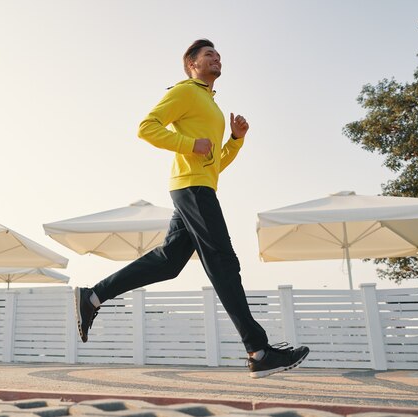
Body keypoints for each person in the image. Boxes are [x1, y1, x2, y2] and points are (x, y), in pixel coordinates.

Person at [74, 39, 309, 379]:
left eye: (219, 55)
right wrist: (188, 144)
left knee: (170, 262)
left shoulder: (210, 105)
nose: (217, 58)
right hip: (192, 188)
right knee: (223, 262)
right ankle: (258, 351)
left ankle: (93, 296)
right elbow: (146, 127)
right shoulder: (185, 92)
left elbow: (213, 164)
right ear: (191, 65)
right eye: (208, 55)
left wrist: (235, 140)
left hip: (198, 185)